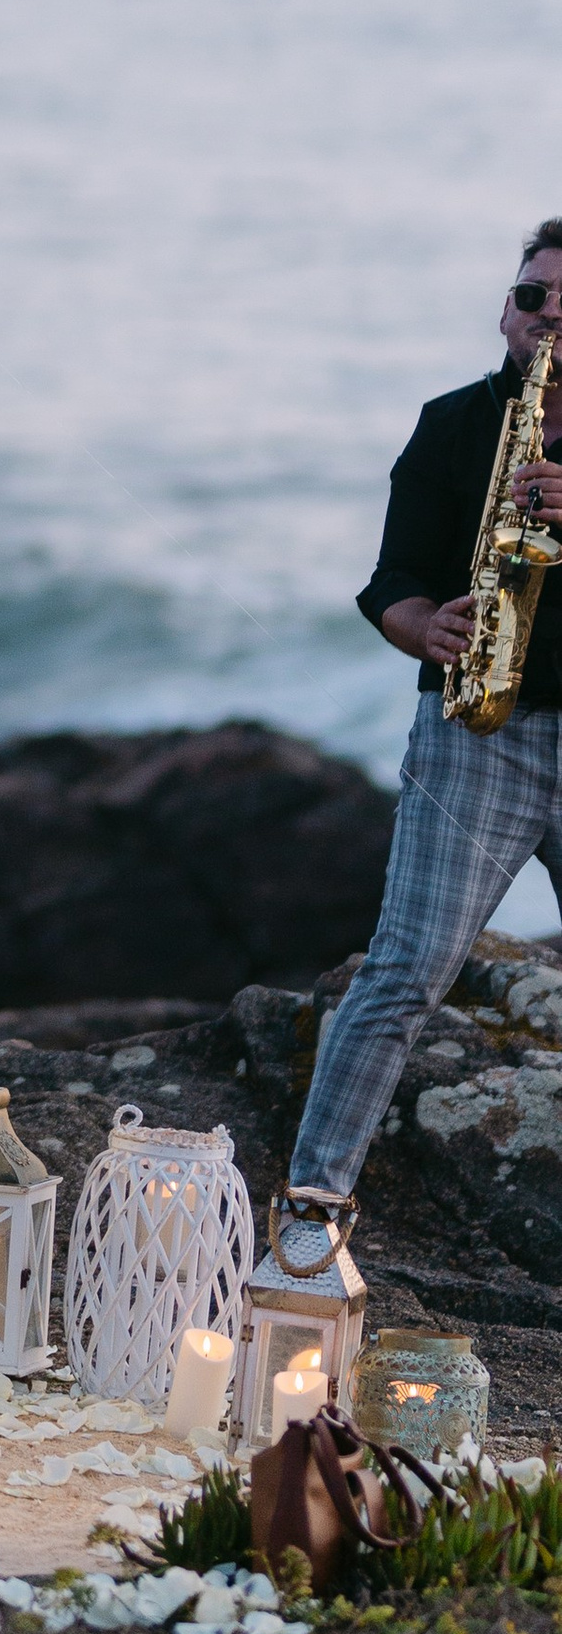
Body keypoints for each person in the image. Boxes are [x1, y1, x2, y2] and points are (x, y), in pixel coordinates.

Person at [288, 222, 562, 1206]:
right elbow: (389, 583)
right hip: (473, 737)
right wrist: (421, 628)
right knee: (403, 972)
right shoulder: (452, 424)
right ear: (506, 307)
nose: (548, 318)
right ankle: (311, 1212)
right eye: (534, 298)